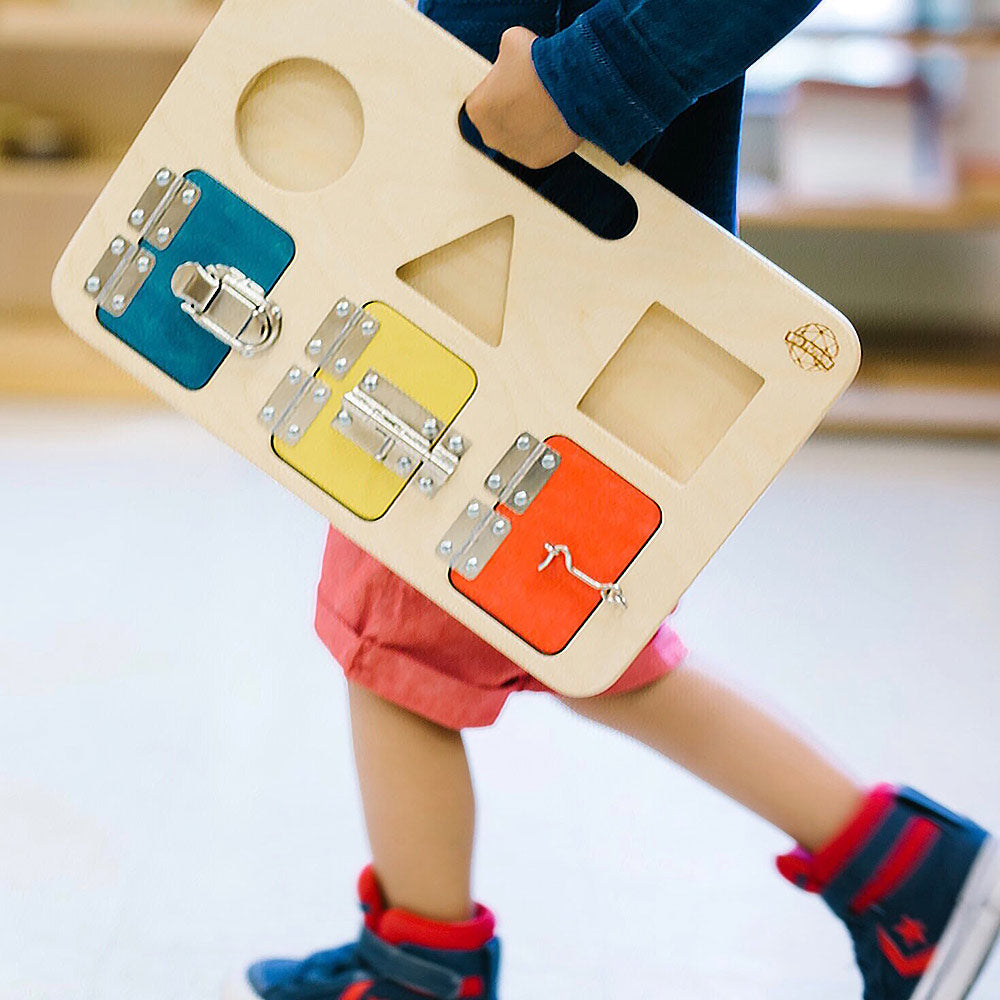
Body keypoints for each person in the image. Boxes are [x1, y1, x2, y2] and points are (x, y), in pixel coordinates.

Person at [226, 2, 1000, 998]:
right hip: (536, 224)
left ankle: (417, 967)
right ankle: (901, 872)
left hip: (526, 231)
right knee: (570, 618)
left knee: (394, 626)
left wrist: (583, 81)